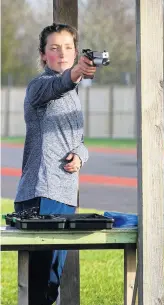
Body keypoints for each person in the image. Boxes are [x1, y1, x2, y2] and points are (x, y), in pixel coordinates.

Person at [14, 23, 97, 305]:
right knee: (38, 290)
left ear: (76, 51)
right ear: (42, 54)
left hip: (64, 195)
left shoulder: (73, 95)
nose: (62, 53)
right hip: (40, 195)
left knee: (51, 287)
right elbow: (59, 84)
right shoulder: (39, 86)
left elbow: (80, 140)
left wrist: (81, 155)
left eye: (68, 47)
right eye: (54, 48)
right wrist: (76, 74)